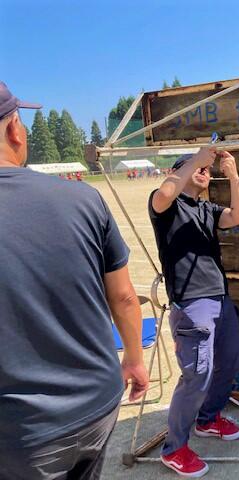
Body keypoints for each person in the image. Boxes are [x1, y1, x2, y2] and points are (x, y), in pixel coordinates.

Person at [0, 82, 150, 479]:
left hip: (21, 433)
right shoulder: (83, 198)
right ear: (15, 129)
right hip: (96, 404)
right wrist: (135, 360)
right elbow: (124, 298)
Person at [149, 148, 239, 477]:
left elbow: (238, 216)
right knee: (197, 375)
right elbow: (165, 193)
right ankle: (174, 448)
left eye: (208, 169)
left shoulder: (207, 209)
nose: (205, 171)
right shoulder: (166, 206)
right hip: (191, 302)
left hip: (219, 297)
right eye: (198, 168)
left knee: (228, 361)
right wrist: (198, 158)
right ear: (177, 172)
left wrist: (232, 175)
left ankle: (207, 419)